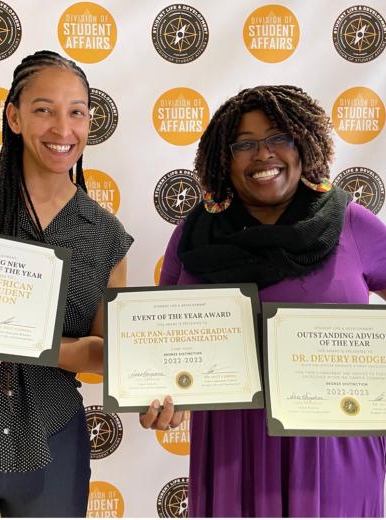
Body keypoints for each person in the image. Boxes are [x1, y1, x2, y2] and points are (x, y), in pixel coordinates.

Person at [140, 85, 386, 517]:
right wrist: (159, 396)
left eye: (279, 138)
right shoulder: (195, 234)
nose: (264, 154)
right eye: (245, 144)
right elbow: (164, 347)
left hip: (333, 446)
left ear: (303, 144)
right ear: (223, 157)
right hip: (232, 448)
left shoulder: (348, 221)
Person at [0, 50, 133, 517]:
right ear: (13, 116)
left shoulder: (106, 235)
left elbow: (107, 354)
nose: (62, 129)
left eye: (76, 112)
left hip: (54, 445)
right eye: (43, 109)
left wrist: (21, 340)